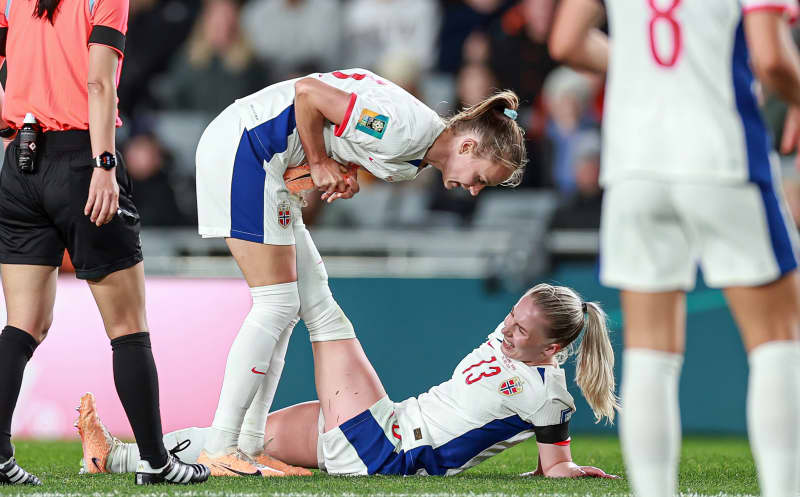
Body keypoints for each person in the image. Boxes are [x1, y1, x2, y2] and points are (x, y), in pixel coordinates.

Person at [191, 68, 528, 476]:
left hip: (267, 161)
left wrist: (338, 168)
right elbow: (308, 93)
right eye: (480, 178)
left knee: (293, 303)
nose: (474, 190)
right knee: (277, 303)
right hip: (248, 147)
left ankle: (247, 445)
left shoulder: (411, 160)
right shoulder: (403, 131)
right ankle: (221, 445)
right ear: (469, 145)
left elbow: (343, 123)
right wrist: (317, 163)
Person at [549, 1, 800, 496]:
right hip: (721, 156)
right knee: (779, 341)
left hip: (632, 164)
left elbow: (565, 42)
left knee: (650, 352)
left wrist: (641, 66)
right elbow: (771, 57)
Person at [77, 279, 619, 478]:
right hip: (387, 427)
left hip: (394, 451)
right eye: (511, 315)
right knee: (249, 439)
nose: (507, 329)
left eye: (522, 330)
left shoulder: (548, 394)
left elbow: (556, 464)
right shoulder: (513, 345)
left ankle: (284, 202)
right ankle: (117, 458)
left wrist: (568, 469)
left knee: (322, 309)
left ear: (553, 347)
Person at [0, 0, 209, 486]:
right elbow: (98, 84)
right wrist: (105, 165)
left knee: (22, 325)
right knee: (127, 326)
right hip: (80, 160)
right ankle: (157, 462)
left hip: (20, 162)